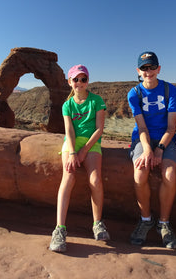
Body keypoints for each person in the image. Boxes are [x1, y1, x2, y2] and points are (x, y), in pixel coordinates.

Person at [49, 64, 110, 253]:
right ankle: (59, 229)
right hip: (71, 143)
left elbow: (99, 129)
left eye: (83, 79)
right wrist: (74, 152)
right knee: (68, 177)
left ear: (87, 81)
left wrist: (84, 150)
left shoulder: (96, 101)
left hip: (91, 143)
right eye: (76, 79)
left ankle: (97, 223)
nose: (79, 83)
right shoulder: (67, 104)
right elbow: (68, 130)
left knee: (95, 179)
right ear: (70, 82)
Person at [127, 51, 176, 249]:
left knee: (170, 174)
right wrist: (148, 150)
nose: (148, 71)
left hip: (165, 139)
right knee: (140, 174)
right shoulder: (134, 93)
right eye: (144, 68)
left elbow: (171, 127)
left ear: (159, 69)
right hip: (143, 138)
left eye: (151, 67)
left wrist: (160, 149)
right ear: (138, 71)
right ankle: (146, 219)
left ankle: (164, 224)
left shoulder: (169, 90)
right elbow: (141, 128)